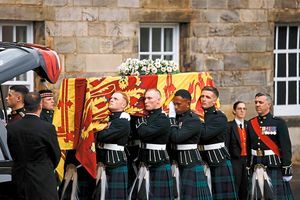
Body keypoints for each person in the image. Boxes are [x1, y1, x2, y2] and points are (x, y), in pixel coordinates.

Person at [6, 92, 61, 200]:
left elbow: (12, 151)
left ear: (24, 106)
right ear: (40, 105)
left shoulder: (12, 127)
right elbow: (55, 154)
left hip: (20, 176)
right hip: (42, 177)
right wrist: (45, 167)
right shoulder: (47, 128)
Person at [247, 92, 294, 199]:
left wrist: (286, 168)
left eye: (260, 102)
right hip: (256, 164)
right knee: (256, 196)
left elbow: (286, 147)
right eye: (256, 102)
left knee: (274, 196)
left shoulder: (278, 123)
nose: (257, 105)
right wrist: (248, 165)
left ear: (269, 104)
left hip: (272, 165)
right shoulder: (251, 123)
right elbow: (248, 146)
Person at [129, 88, 173, 200]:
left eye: (150, 98)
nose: (146, 101)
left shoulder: (163, 119)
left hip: (158, 163)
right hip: (144, 162)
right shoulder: (146, 117)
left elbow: (143, 134)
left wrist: (140, 124)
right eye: (145, 99)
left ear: (158, 100)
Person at [169, 89, 212, 199]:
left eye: (178, 104)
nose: (175, 107)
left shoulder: (193, 120)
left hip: (190, 163)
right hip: (175, 162)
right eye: (174, 104)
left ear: (188, 103)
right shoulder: (177, 118)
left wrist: (171, 119)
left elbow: (176, 137)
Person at [198, 86, 237, 200]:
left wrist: (192, 125)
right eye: (202, 96)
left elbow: (204, 135)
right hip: (202, 160)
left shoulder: (219, 117)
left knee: (220, 196)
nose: (204, 99)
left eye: (208, 97)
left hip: (218, 161)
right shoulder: (201, 116)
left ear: (215, 101)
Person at [93, 91, 130, 199]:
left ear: (123, 105)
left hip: (115, 162)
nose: (111, 100)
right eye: (111, 98)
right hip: (102, 160)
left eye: (116, 99)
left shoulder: (123, 121)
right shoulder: (106, 118)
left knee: (115, 196)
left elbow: (101, 136)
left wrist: (98, 130)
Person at [226, 101, 249, 200]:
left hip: (247, 160)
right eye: (239, 108)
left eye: (244, 109)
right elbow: (226, 144)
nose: (242, 111)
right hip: (235, 160)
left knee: (246, 187)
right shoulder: (229, 126)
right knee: (236, 186)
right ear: (234, 111)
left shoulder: (249, 125)